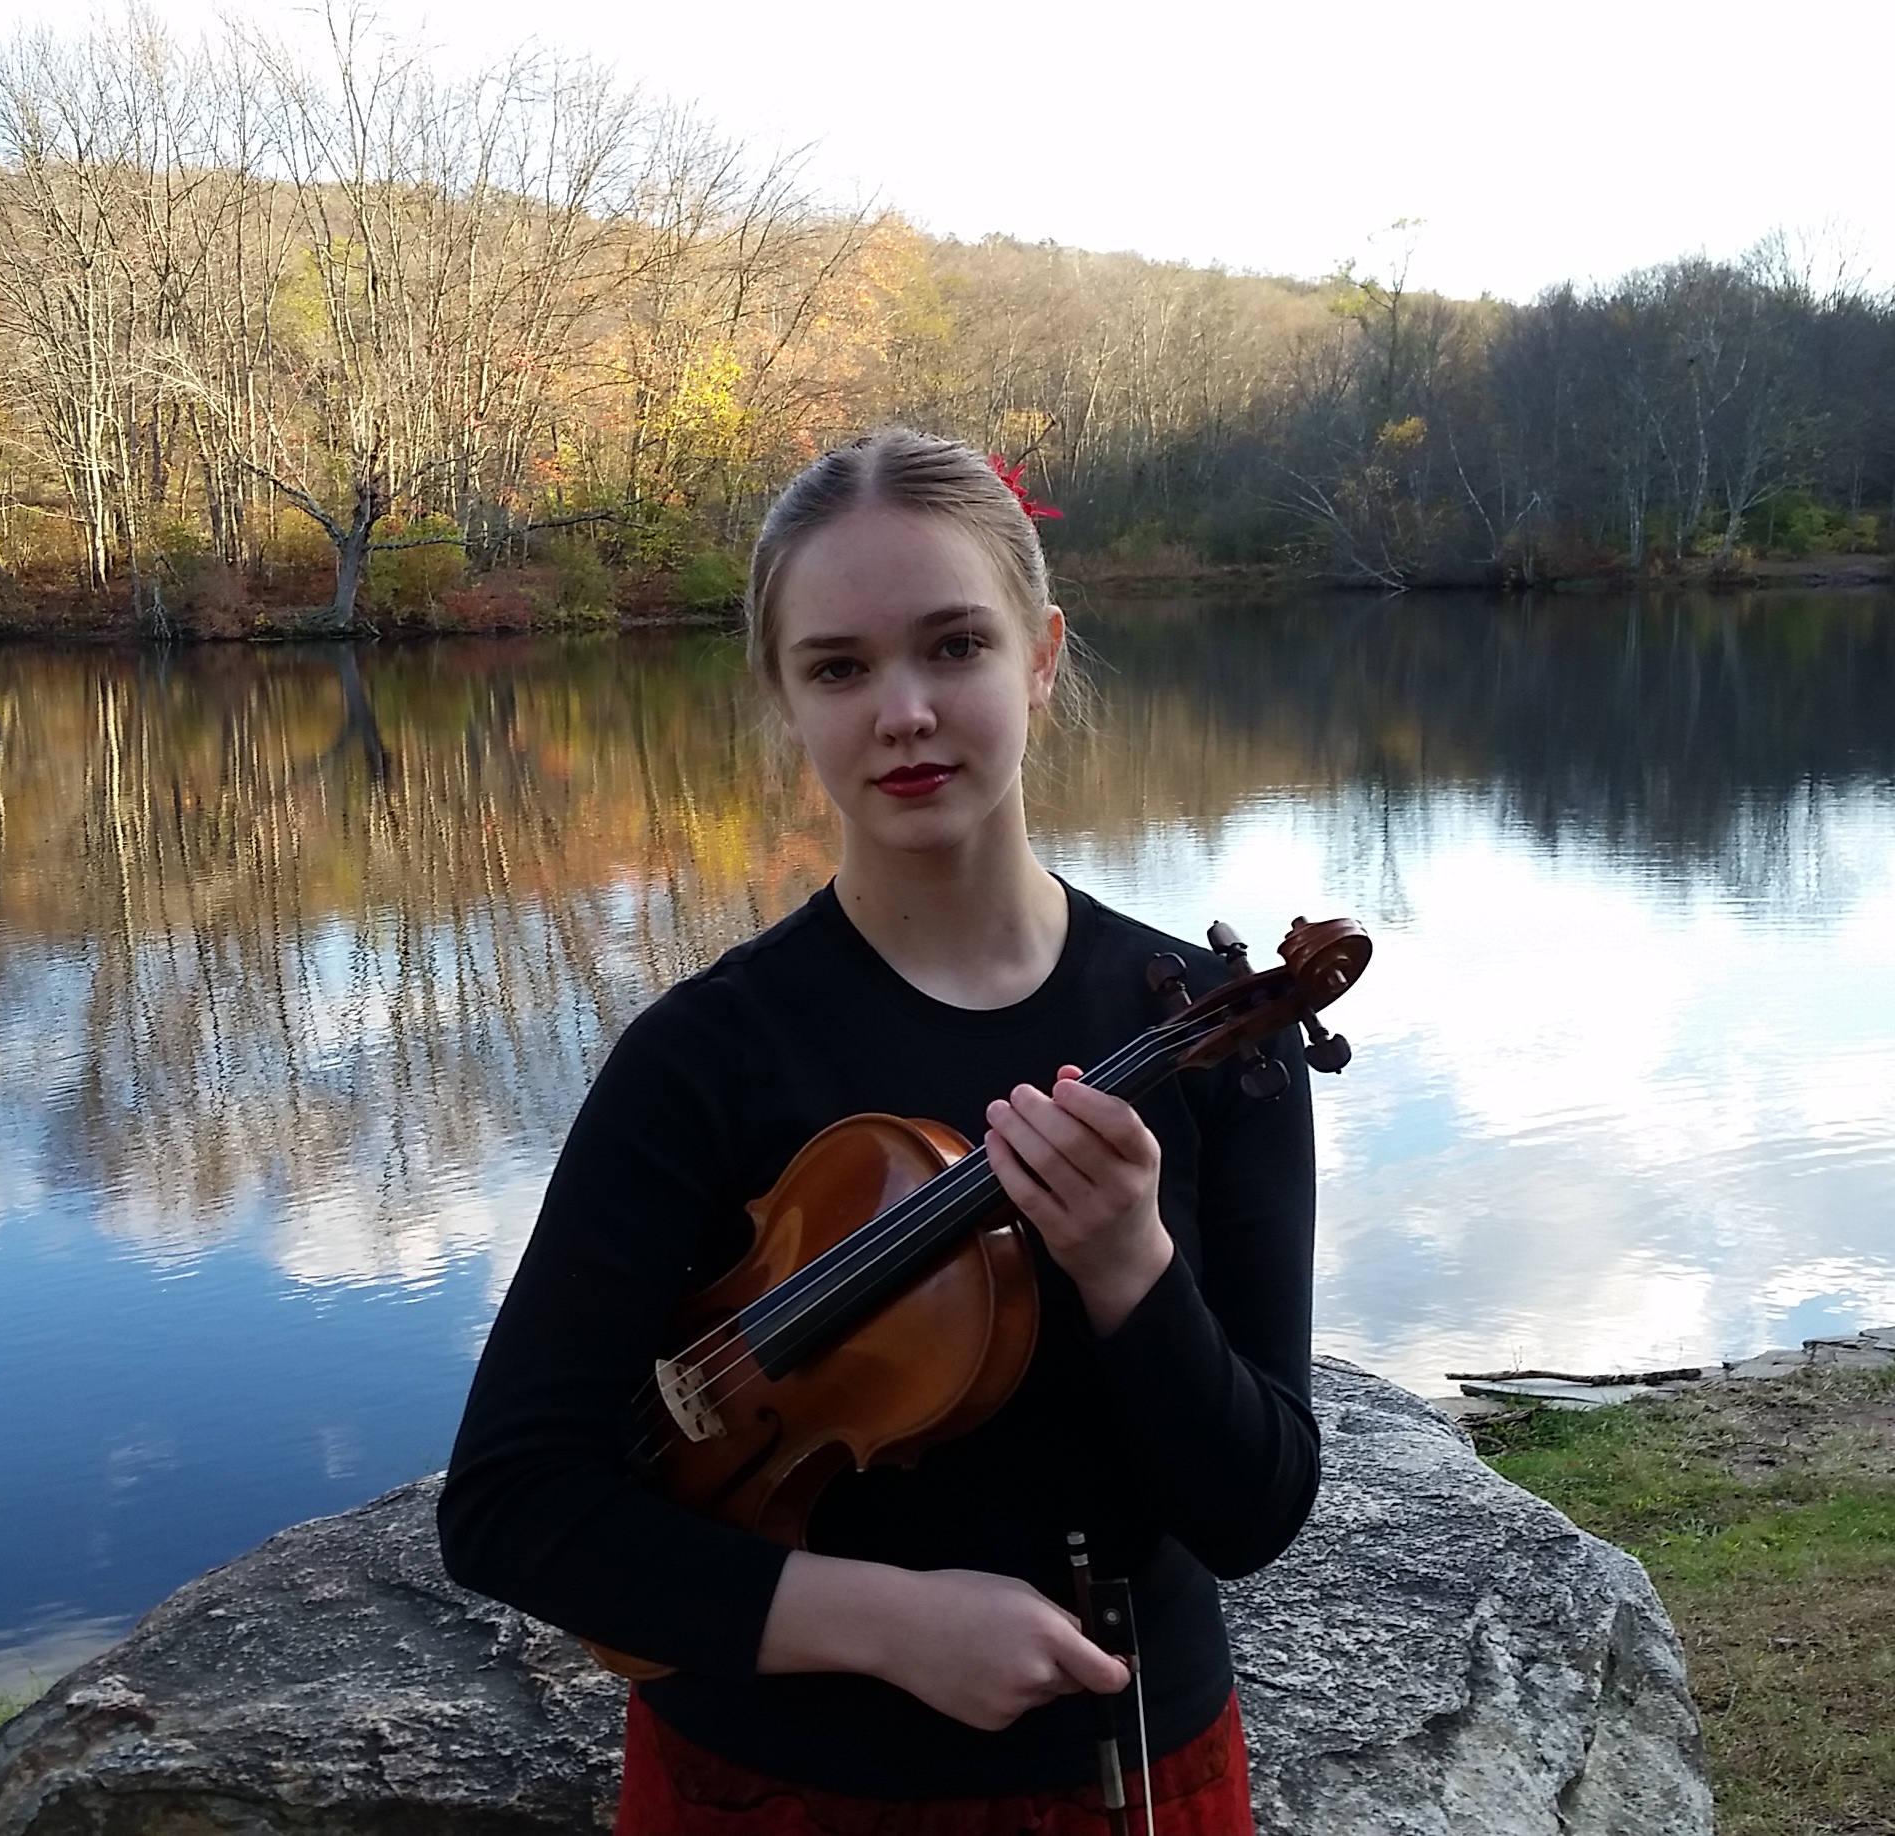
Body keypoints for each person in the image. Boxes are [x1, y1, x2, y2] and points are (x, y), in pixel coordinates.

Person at [438, 428, 1319, 1833]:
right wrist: (885, 1623)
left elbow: (1252, 1514)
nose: (902, 710)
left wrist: (1128, 1269)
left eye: (955, 646)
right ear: (786, 700)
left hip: (1135, 1777)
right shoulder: (703, 1058)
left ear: (1040, 655)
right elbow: (510, 1506)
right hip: (764, 1789)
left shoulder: (1216, 1033)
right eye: (839, 667)